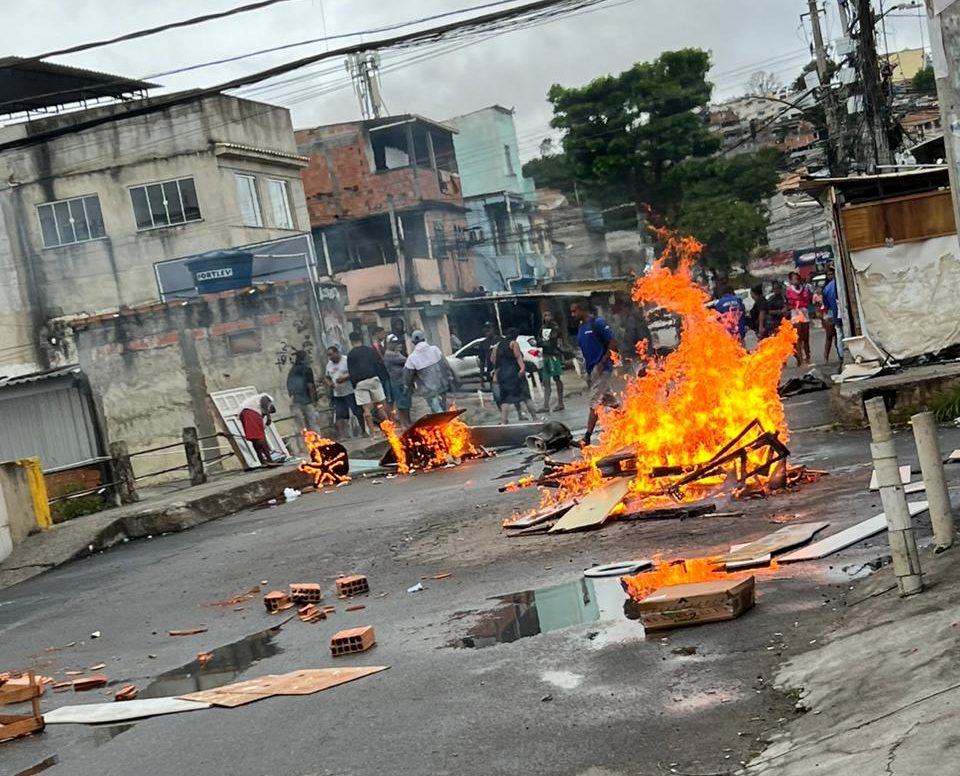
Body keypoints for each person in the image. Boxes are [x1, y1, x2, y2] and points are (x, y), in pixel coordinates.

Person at [570, 299, 619, 447]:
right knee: (610, 401)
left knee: (594, 402)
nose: (572, 315)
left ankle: (586, 437)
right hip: (591, 370)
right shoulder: (581, 327)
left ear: (583, 310)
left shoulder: (597, 323)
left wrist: (604, 361)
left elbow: (613, 342)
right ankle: (632, 420)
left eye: (574, 311)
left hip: (602, 369)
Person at [491, 328, 540, 423]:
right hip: (514, 373)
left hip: (503, 374)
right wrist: (522, 368)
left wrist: (496, 372)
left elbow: (493, 359)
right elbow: (518, 357)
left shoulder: (498, 345)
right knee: (526, 397)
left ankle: (503, 422)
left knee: (505, 400)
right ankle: (535, 418)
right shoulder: (513, 343)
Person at [404, 330, 456, 414]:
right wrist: (450, 378)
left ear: (413, 342)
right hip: (441, 386)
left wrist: (407, 387)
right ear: (424, 339)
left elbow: (408, 375)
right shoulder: (435, 350)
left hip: (428, 390)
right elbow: (446, 365)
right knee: (443, 408)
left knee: (436, 411)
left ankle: (442, 424)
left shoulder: (412, 358)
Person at [347, 331, 388, 433]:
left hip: (360, 383)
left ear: (351, 341)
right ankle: (388, 430)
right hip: (374, 379)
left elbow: (351, 372)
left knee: (366, 409)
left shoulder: (351, 354)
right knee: (380, 406)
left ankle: (373, 434)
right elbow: (377, 365)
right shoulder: (370, 351)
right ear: (361, 338)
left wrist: (354, 385)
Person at [324, 344, 364, 439]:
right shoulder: (329, 364)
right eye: (328, 355)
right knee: (340, 415)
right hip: (338, 394)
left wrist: (345, 378)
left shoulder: (346, 360)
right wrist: (329, 383)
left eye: (332, 354)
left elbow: (355, 372)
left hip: (350, 391)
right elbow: (326, 377)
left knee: (357, 411)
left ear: (337, 353)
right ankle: (343, 435)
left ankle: (363, 431)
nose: (331, 357)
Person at [536, 310, 566, 413]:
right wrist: (541, 343)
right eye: (545, 315)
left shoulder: (555, 327)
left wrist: (543, 343)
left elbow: (552, 341)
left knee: (557, 378)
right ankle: (545, 405)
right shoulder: (542, 328)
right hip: (545, 355)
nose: (547, 317)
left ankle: (560, 402)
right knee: (546, 380)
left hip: (553, 355)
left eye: (548, 315)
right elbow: (539, 340)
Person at [238, 393, 277, 465]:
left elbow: (262, 416)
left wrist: (264, 421)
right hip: (250, 413)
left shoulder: (257, 405)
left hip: (244, 414)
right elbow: (264, 404)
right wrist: (268, 417)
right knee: (260, 437)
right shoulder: (267, 398)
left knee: (255, 439)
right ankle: (270, 460)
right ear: (270, 406)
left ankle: (262, 461)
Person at [785, 271, 814, 366]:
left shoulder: (805, 288)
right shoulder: (789, 290)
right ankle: (801, 359)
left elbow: (807, 300)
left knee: (806, 337)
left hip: (804, 314)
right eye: (794, 279)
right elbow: (792, 302)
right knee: (798, 338)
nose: (796, 281)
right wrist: (799, 303)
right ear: (790, 280)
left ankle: (808, 357)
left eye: (797, 279)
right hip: (795, 315)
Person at [384, 334, 412, 427]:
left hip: (403, 381)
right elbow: (406, 360)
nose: (395, 344)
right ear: (388, 343)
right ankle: (404, 423)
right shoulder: (389, 354)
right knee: (401, 404)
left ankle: (407, 422)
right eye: (393, 343)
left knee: (407, 403)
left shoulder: (396, 353)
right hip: (397, 382)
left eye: (396, 342)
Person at [370, 325, 394, 413]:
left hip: (384, 374)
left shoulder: (380, 345)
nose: (384, 336)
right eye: (382, 333)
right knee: (387, 398)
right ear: (377, 334)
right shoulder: (376, 347)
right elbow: (382, 360)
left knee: (388, 397)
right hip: (383, 375)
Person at [822, 267, 844, 362]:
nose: (830, 276)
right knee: (835, 335)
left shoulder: (826, 288)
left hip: (835, 314)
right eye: (829, 274)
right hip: (836, 314)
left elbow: (826, 304)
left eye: (832, 274)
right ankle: (840, 355)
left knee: (838, 335)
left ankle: (841, 355)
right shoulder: (839, 283)